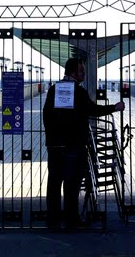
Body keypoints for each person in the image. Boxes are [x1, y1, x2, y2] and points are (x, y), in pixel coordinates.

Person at [42, 56, 125, 231]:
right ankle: (72, 220)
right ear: (73, 71)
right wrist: (114, 108)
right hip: (73, 145)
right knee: (72, 185)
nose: (84, 75)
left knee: (54, 183)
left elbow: (46, 116)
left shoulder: (54, 90)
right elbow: (92, 110)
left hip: (55, 146)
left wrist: (51, 139)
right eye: (81, 71)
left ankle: (53, 220)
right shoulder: (79, 92)